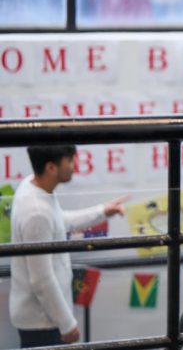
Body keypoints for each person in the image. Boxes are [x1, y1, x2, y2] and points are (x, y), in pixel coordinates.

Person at [10, 145, 127, 348]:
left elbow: (60, 221)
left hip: (42, 317)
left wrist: (102, 211)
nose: (74, 166)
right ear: (51, 168)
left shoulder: (32, 187)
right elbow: (41, 279)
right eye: (70, 161)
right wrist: (67, 324)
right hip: (42, 321)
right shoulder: (37, 212)